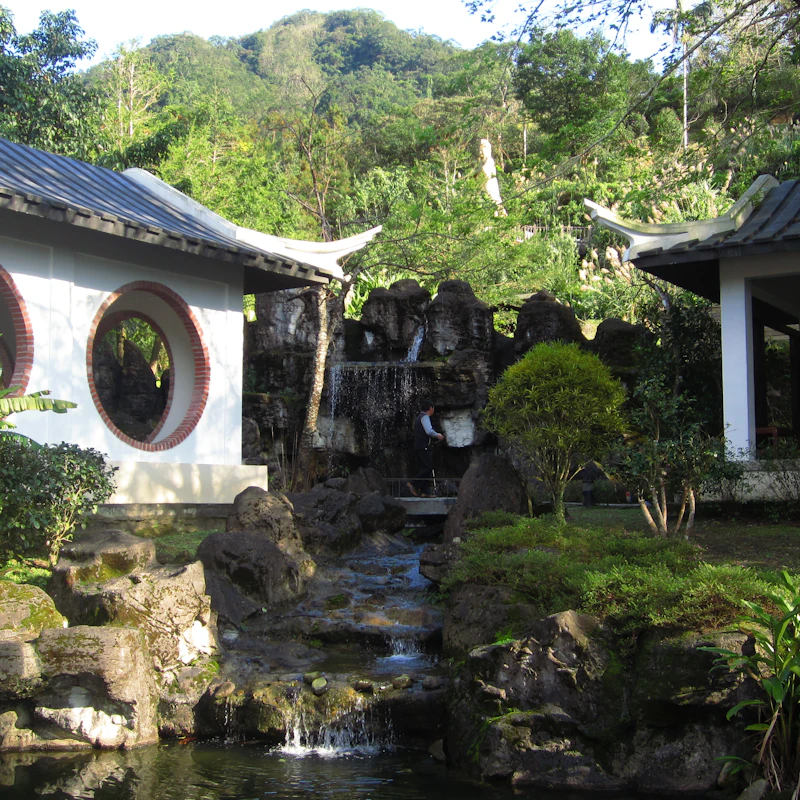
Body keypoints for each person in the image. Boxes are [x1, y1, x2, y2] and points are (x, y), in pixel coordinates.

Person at [407, 399, 444, 497]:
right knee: (428, 468)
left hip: (418, 447)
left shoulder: (419, 417)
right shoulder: (425, 417)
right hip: (423, 447)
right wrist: (438, 435)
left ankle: (425, 492)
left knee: (424, 468)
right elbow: (428, 431)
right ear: (431, 408)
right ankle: (412, 484)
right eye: (433, 408)